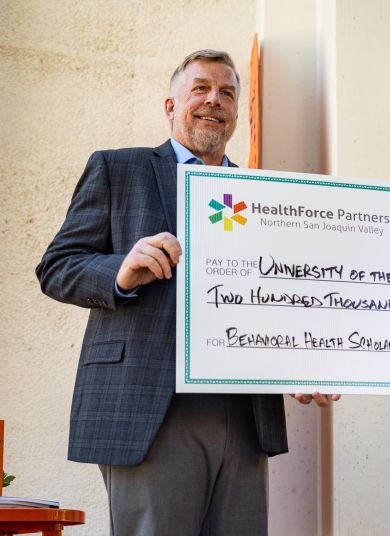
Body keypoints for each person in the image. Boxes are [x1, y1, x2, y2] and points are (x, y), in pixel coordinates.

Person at [36, 49, 338, 535]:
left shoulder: (268, 199)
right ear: (171, 106)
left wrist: (304, 357)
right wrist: (120, 271)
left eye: (227, 93)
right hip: (150, 409)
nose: (213, 101)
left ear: (237, 113)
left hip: (244, 414)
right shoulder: (119, 169)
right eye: (200, 88)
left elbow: (282, 296)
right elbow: (57, 267)